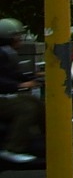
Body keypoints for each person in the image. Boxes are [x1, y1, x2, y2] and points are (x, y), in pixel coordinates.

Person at [0, 19, 45, 163]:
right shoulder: (2, 53)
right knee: (27, 108)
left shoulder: (7, 53)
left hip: (5, 95)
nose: (20, 38)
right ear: (9, 37)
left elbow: (12, 73)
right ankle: (13, 148)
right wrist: (19, 85)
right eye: (17, 35)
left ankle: (47, 140)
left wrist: (35, 76)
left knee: (36, 102)